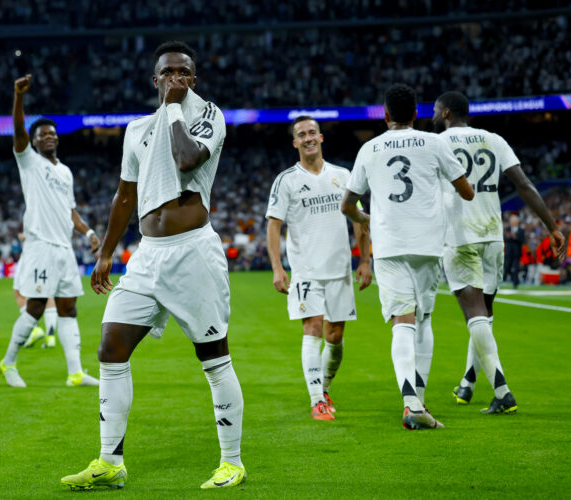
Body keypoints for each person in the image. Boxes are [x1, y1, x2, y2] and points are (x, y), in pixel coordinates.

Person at [61, 41, 245, 490]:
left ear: (193, 81)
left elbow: (187, 159)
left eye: (184, 73)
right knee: (111, 347)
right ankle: (110, 461)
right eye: (168, 73)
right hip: (147, 255)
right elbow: (125, 194)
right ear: (154, 79)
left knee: (213, 357)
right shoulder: (136, 129)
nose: (176, 79)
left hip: (193, 252)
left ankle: (232, 462)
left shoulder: (208, 115)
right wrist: (106, 251)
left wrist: (175, 109)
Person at [341, 83, 474, 430]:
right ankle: (418, 399)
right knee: (424, 319)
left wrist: (365, 218)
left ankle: (411, 403)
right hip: (428, 244)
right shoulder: (436, 143)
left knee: (402, 320)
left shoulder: (369, 148)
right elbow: (467, 191)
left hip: (389, 246)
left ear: (385, 116)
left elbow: (347, 205)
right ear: (416, 114)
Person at [433, 91, 565, 412]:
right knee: (484, 314)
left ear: (447, 112)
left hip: (460, 235)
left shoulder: (437, 142)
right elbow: (523, 184)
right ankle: (467, 383)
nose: (434, 115)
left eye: (437, 110)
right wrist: (552, 227)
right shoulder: (494, 139)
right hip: (493, 236)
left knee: (475, 314)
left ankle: (503, 392)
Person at [266, 116, 371, 421]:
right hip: (306, 270)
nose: (308, 137)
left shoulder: (342, 175)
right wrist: (277, 267)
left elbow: (359, 220)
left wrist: (365, 260)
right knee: (312, 329)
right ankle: (317, 402)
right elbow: (273, 226)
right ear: (295, 142)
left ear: (321, 138)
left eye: (312, 132)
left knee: (335, 336)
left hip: (339, 269)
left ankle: (323, 387)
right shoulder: (286, 180)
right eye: (302, 134)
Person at [0, 74, 101, 388]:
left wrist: (88, 233)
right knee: (36, 306)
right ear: (33, 141)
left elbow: (70, 210)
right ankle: (8, 363)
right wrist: (18, 97)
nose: (49, 137)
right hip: (40, 245)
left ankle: (75, 373)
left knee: (69, 307)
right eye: (43, 134)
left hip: (63, 249)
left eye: (52, 134)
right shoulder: (29, 161)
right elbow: (18, 130)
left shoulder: (65, 171)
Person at [12, 232, 58, 349]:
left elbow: (30, 235)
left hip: (31, 256)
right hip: (48, 255)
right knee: (47, 292)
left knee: (18, 292)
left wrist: (22, 237)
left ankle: (35, 328)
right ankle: (50, 335)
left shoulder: (35, 215)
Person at [503, 214, 525, 288]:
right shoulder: (508, 229)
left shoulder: (521, 230)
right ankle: (505, 280)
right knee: (507, 267)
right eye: (512, 221)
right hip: (509, 252)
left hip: (516, 253)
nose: (513, 223)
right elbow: (504, 239)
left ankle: (515, 283)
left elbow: (523, 240)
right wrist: (508, 236)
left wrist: (515, 237)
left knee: (516, 268)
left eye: (514, 221)